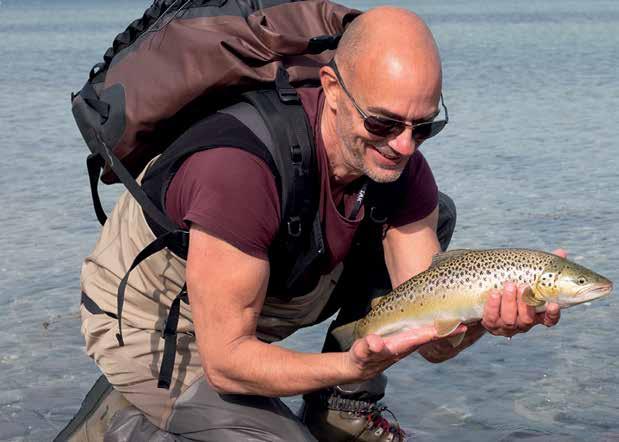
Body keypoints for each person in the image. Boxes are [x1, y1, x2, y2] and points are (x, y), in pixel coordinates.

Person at [76, 6, 561, 442]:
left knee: (436, 215)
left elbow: (431, 336)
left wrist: (481, 320)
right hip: (156, 323)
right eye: (383, 124)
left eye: (424, 127)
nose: (404, 146)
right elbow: (226, 362)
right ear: (331, 88)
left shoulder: (403, 167)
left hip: (252, 297)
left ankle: (342, 412)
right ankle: (125, 418)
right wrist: (345, 365)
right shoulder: (238, 169)